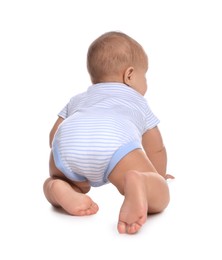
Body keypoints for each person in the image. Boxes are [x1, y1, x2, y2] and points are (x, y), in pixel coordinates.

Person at [43, 31, 173, 235]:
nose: (146, 82)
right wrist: (157, 176)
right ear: (130, 75)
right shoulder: (137, 101)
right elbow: (156, 148)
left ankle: (57, 188)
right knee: (161, 196)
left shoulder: (78, 99)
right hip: (114, 142)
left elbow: (54, 136)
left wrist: (64, 155)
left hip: (68, 144)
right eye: (145, 75)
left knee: (54, 179)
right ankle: (140, 182)